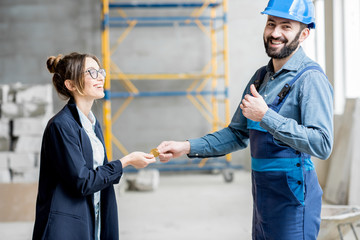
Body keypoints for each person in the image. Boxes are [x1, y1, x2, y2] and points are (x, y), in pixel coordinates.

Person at [157, 0, 333, 239]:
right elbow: (237, 134)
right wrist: (186, 147)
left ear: (304, 34)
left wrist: (266, 116)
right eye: (271, 24)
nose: (275, 33)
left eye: (286, 26)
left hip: (293, 196)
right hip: (262, 194)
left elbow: (322, 143)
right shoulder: (261, 77)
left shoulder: (311, 79)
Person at [32, 52, 156, 240]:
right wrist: (126, 161)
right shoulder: (61, 126)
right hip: (67, 228)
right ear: (71, 84)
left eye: (100, 71)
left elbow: (98, 175)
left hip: (94, 217)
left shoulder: (92, 124)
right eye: (91, 72)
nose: (100, 77)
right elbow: (84, 181)